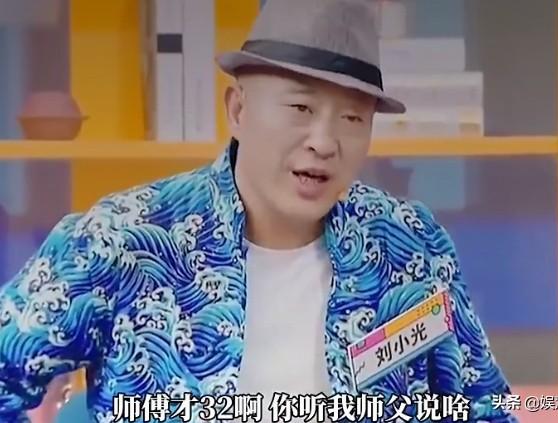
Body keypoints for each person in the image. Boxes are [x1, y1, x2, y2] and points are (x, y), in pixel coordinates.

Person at [0, 0, 517, 422]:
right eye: (301, 108)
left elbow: (484, 407)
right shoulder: (122, 240)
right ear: (239, 110)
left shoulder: (410, 245)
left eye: (352, 118)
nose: (324, 142)